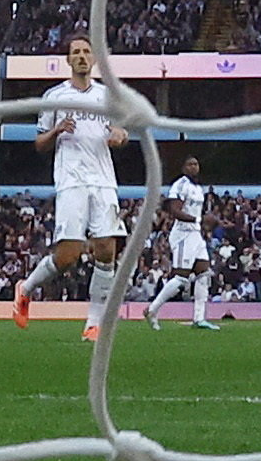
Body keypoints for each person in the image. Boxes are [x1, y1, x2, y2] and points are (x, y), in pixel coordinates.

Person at [13, 34, 133, 340]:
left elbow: (121, 132)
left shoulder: (107, 96)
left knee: (107, 250)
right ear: (68, 60)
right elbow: (39, 143)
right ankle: (25, 289)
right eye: (76, 52)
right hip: (71, 181)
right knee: (68, 256)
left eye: (86, 52)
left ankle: (93, 323)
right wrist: (57, 129)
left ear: (93, 59)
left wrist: (121, 136)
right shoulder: (54, 96)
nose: (81, 56)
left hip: (104, 180)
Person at [143, 155, 220, 330]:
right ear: (184, 168)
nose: (194, 167)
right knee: (180, 278)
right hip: (183, 234)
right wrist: (199, 220)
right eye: (190, 164)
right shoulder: (180, 185)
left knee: (204, 273)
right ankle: (152, 309)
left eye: (196, 163)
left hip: (195, 234)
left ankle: (199, 319)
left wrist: (202, 225)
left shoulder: (198, 188)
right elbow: (174, 211)